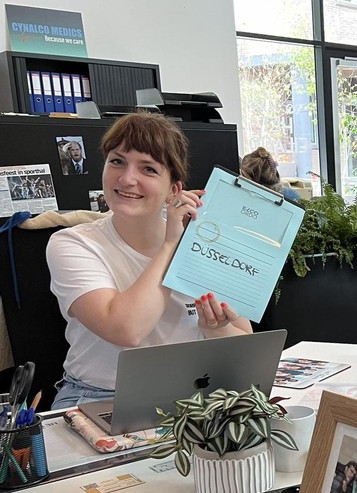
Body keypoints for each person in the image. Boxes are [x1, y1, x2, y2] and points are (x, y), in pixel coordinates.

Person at [47, 112, 252, 410]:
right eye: (117, 161)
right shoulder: (74, 243)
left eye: (149, 169)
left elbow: (246, 348)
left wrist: (217, 328)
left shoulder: (206, 246)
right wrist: (171, 244)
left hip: (193, 398)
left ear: (174, 190)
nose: (128, 179)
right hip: (101, 397)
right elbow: (126, 329)